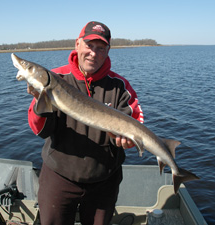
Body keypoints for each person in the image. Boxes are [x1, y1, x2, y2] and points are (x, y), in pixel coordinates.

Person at [27, 21, 144, 225]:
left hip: (104, 179)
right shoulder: (54, 78)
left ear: (108, 51)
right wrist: (40, 101)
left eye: (101, 48)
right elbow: (39, 129)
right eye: (89, 46)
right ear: (77, 44)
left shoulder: (120, 86)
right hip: (59, 176)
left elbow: (136, 121)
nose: (93, 53)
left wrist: (128, 140)